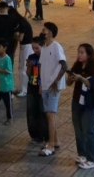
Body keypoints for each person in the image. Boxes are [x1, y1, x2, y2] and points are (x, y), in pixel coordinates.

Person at [68, 43, 94, 169]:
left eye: (82, 52)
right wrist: (71, 78)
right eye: (78, 52)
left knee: (88, 129)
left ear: (89, 54)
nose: (79, 55)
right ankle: (82, 153)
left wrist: (81, 79)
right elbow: (68, 83)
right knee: (78, 128)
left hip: (89, 103)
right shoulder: (77, 66)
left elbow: (93, 85)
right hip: (77, 100)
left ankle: (92, 159)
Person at [37, 22, 67, 157]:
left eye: (44, 30)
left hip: (54, 86)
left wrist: (56, 81)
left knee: (50, 114)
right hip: (45, 85)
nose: (42, 32)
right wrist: (41, 85)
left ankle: (51, 144)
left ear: (49, 33)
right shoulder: (43, 47)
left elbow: (64, 65)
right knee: (48, 113)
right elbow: (42, 66)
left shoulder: (56, 47)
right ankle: (56, 141)